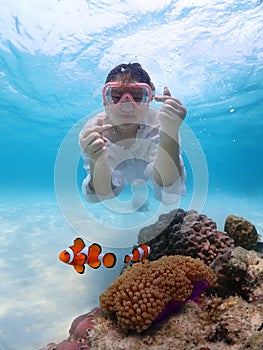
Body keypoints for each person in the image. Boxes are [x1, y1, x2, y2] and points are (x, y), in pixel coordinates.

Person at [79, 63, 187, 205]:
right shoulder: (94, 131)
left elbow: (168, 183)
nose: (127, 106)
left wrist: (170, 133)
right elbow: (102, 192)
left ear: (149, 100)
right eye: (116, 96)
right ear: (105, 101)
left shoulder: (163, 123)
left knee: (170, 195)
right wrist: (96, 160)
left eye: (137, 96)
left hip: (154, 164)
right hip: (113, 165)